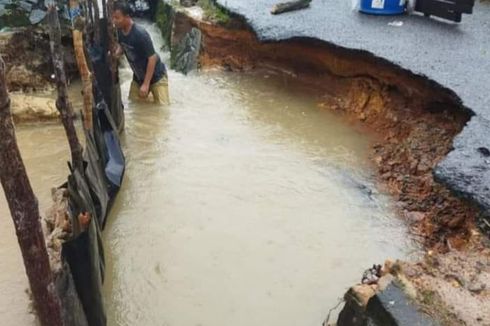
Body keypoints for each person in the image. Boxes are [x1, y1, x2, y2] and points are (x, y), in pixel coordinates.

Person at [112, 2, 169, 104]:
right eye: (113, 18)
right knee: (133, 104)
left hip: (157, 76)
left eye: (117, 18)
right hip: (139, 76)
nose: (114, 21)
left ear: (127, 17)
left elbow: (152, 58)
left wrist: (146, 84)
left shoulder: (140, 34)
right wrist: (116, 53)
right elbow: (122, 45)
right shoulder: (120, 31)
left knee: (163, 109)